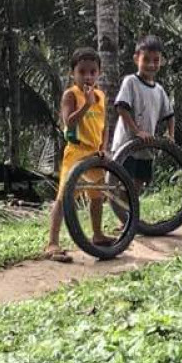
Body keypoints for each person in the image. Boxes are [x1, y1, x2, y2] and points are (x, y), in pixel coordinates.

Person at [46, 47, 115, 262]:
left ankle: (97, 234)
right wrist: (85, 104)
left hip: (95, 155)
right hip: (76, 154)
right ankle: (52, 242)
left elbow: (104, 126)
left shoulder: (101, 95)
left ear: (99, 73)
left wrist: (104, 148)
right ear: (72, 74)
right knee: (64, 197)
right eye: (82, 72)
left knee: (97, 196)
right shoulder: (71, 95)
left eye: (93, 72)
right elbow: (69, 122)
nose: (88, 76)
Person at [111, 35, 175, 194]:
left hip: (146, 147)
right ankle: (123, 215)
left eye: (156, 60)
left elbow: (170, 115)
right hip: (126, 144)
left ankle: (131, 215)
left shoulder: (159, 90)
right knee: (123, 182)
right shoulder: (131, 82)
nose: (151, 65)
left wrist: (170, 134)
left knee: (138, 184)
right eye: (146, 60)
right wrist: (137, 131)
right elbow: (121, 108)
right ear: (136, 59)